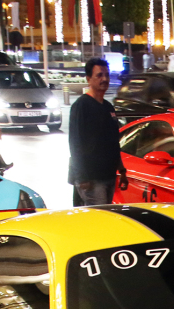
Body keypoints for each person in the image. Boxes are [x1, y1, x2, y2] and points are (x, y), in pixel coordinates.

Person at [68, 57, 126, 206]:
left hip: (108, 175)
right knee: (98, 217)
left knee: (105, 215)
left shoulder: (108, 107)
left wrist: (121, 169)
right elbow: (75, 143)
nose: (104, 79)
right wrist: (82, 177)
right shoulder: (82, 106)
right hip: (91, 178)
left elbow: (113, 141)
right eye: (99, 75)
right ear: (89, 79)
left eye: (106, 75)